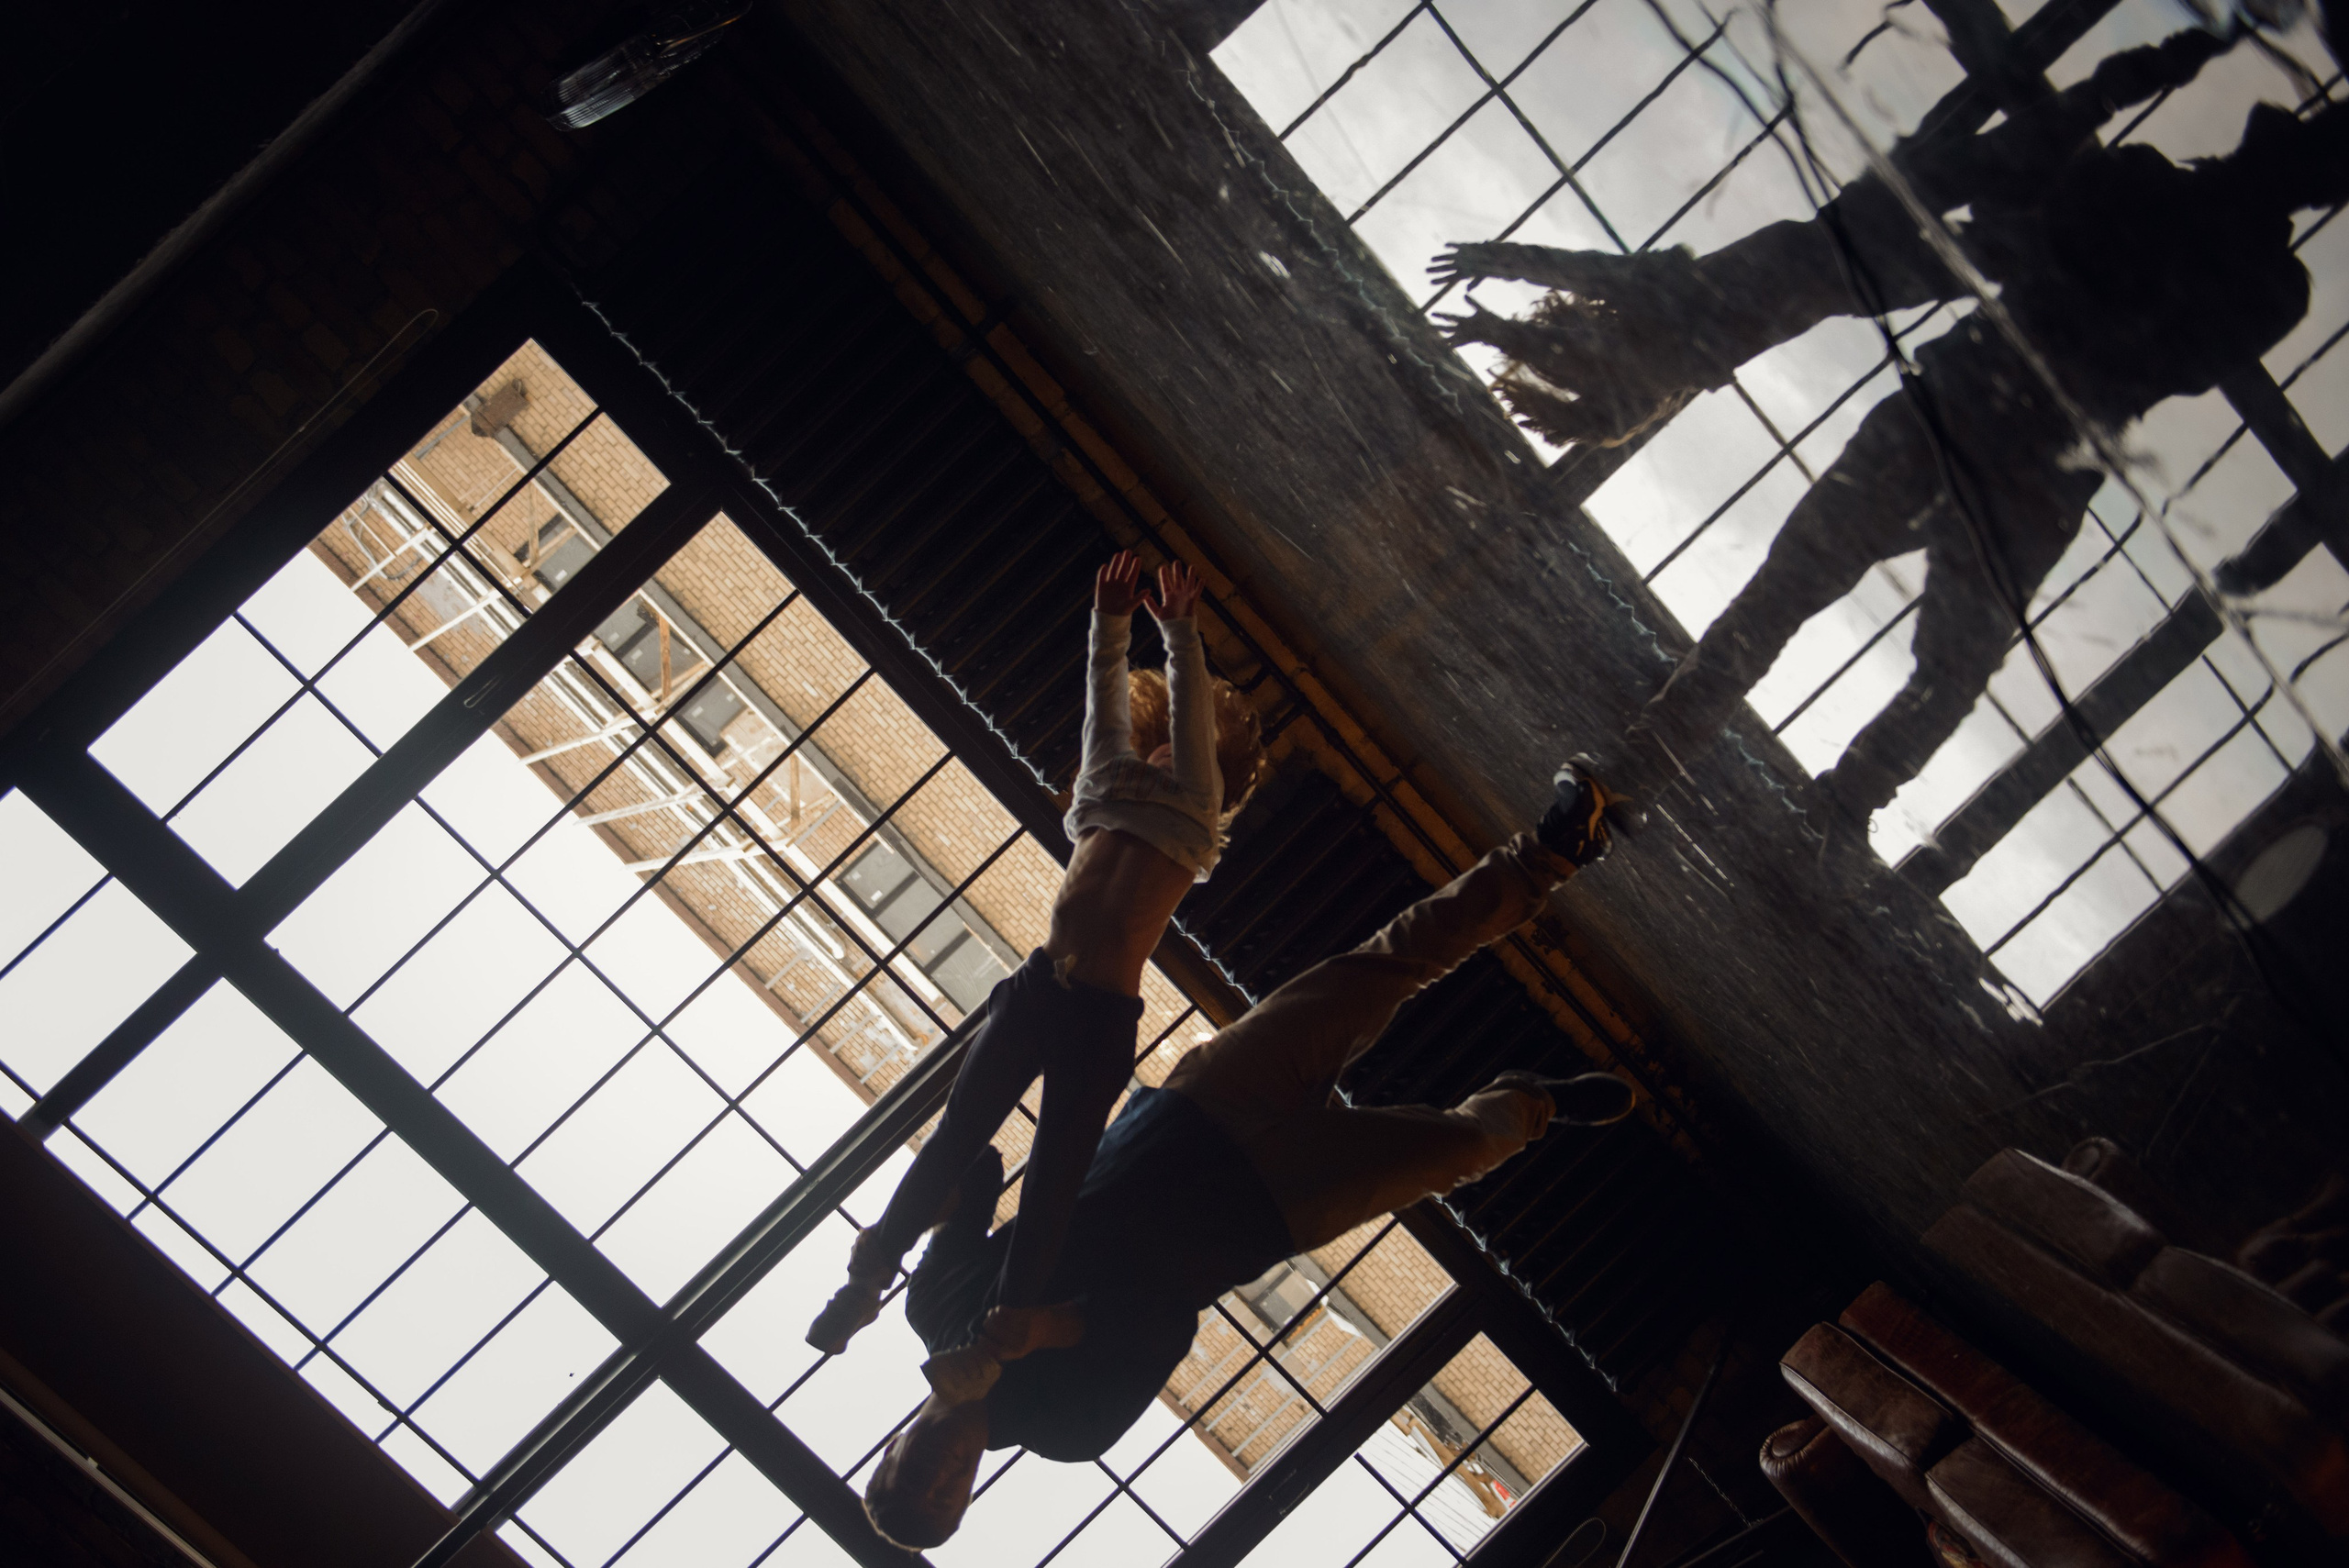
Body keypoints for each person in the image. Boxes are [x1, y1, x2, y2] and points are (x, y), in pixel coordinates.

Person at [1436, 29, 2347, 830]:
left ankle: (1775, 793)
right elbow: (2112, 297)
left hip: (1977, 421)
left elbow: (2069, 252)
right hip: (2019, 456)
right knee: (1841, 615)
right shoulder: (2243, 270)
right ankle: (1779, 794)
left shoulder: (2198, 233)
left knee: (1845, 618)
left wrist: (2112, 136)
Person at [860, 761, 1641, 1551]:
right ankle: (1532, 1102)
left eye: (911, 1474)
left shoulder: (932, 1308)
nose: (938, 1469)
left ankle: (1550, 851)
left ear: (889, 1448)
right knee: (1462, 1147)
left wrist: (897, 1232)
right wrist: (1052, 1329)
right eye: (945, 1493)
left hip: (1186, 1117)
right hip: (1268, 1207)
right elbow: (1168, 1330)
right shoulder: (1067, 1427)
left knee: (1377, 969)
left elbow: (981, 1167)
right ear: (968, 1498)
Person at [805, 550, 1270, 1362]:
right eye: (1159, 745)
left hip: (1098, 1016)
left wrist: (1176, 631)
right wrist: (1109, 623)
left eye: (1182, 751)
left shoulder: (1197, 815)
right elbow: (1104, 710)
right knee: (957, 1134)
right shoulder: (1102, 790)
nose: (1166, 753)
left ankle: (1003, 1327)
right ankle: (869, 1273)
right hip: (1039, 988)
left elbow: (1193, 727)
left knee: (1053, 1179)